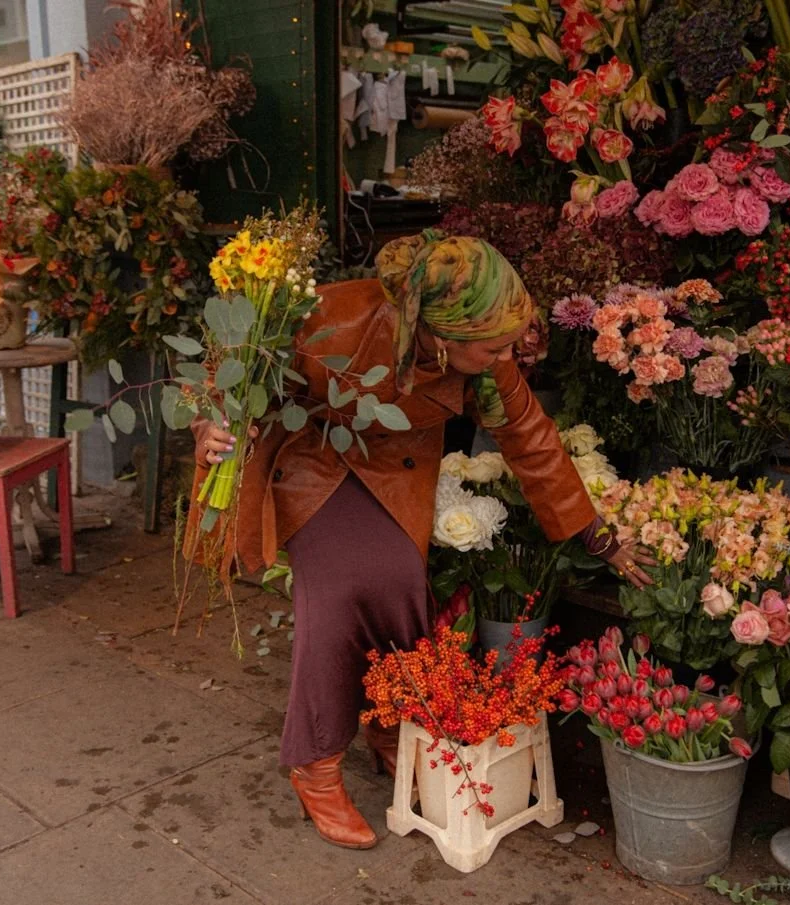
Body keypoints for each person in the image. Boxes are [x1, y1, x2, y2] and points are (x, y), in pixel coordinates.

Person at [189, 233, 653, 850]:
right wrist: (207, 426)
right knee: (336, 596)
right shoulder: (332, 316)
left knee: (401, 587)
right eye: (493, 347)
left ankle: (389, 725)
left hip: (394, 468)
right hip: (311, 460)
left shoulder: (489, 362)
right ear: (442, 333)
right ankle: (317, 763)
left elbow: (533, 442)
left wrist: (600, 538)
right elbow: (228, 372)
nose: (505, 356)